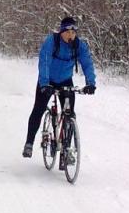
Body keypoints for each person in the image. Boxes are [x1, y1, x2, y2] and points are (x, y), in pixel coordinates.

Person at [22, 16, 96, 160]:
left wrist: (91, 83)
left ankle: (66, 151)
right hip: (48, 80)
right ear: (62, 31)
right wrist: (44, 84)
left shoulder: (79, 45)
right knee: (39, 109)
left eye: (74, 32)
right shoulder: (52, 42)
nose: (71, 35)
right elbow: (44, 62)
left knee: (69, 114)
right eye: (68, 31)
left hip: (65, 81)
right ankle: (29, 143)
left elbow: (87, 63)